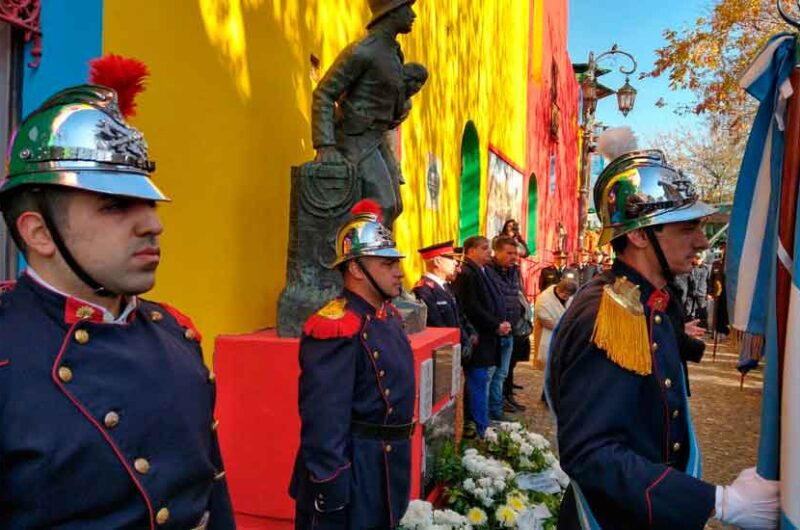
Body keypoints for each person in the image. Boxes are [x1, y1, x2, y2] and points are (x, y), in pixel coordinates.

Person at [0, 84, 235, 529]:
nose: (153, 224)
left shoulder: (177, 336)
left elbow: (213, 497)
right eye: (116, 207)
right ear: (39, 233)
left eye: (147, 203)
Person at [547, 148, 780, 529]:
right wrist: (716, 502)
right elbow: (590, 452)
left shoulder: (648, 301)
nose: (702, 242)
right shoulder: (608, 313)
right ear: (640, 235)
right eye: (687, 228)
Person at [289, 199, 415, 529]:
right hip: (356, 473)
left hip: (386, 466)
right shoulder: (337, 326)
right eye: (386, 264)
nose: (399, 270)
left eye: (396, 262)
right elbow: (323, 421)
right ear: (356, 269)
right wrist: (331, 493)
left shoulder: (386, 316)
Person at [312, 0, 424, 228]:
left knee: (395, 206)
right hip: (355, 137)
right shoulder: (364, 51)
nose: (412, 15)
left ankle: (377, 260)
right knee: (382, 203)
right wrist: (326, 146)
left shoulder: (393, 53)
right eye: (407, 8)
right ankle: (359, 260)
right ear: (391, 13)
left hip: (376, 137)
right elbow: (324, 93)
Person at [452, 236, 508, 436]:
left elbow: (494, 299)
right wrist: (495, 324)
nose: (489, 252)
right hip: (478, 338)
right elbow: (471, 307)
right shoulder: (467, 273)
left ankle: (481, 422)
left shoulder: (484, 271)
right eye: (484, 248)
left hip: (488, 337)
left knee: (484, 381)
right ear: (471, 251)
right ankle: (479, 426)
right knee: (478, 383)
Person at [413, 240, 475, 358]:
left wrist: (466, 337)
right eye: (451, 259)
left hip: (453, 352)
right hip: (440, 355)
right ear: (437, 261)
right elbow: (436, 325)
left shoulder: (446, 287)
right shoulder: (424, 290)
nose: (456, 263)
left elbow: (458, 318)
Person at [486, 235, 523, 417]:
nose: (513, 257)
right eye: (509, 253)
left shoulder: (514, 271)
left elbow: (516, 296)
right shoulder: (487, 270)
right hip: (493, 332)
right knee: (490, 375)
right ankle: (490, 411)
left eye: (515, 253)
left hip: (510, 331)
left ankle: (497, 409)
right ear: (497, 252)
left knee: (502, 374)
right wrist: (496, 324)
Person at [533, 279, 577, 400]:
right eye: (565, 294)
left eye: (569, 295)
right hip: (548, 336)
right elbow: (546, 322)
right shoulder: (544, 300)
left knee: (559, 367)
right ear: (558, 289)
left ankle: (551, 395)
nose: (567, 297)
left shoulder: (569, 298)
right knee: (550, 367)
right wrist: (565, 327)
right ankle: (547, 396)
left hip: (564, 336)